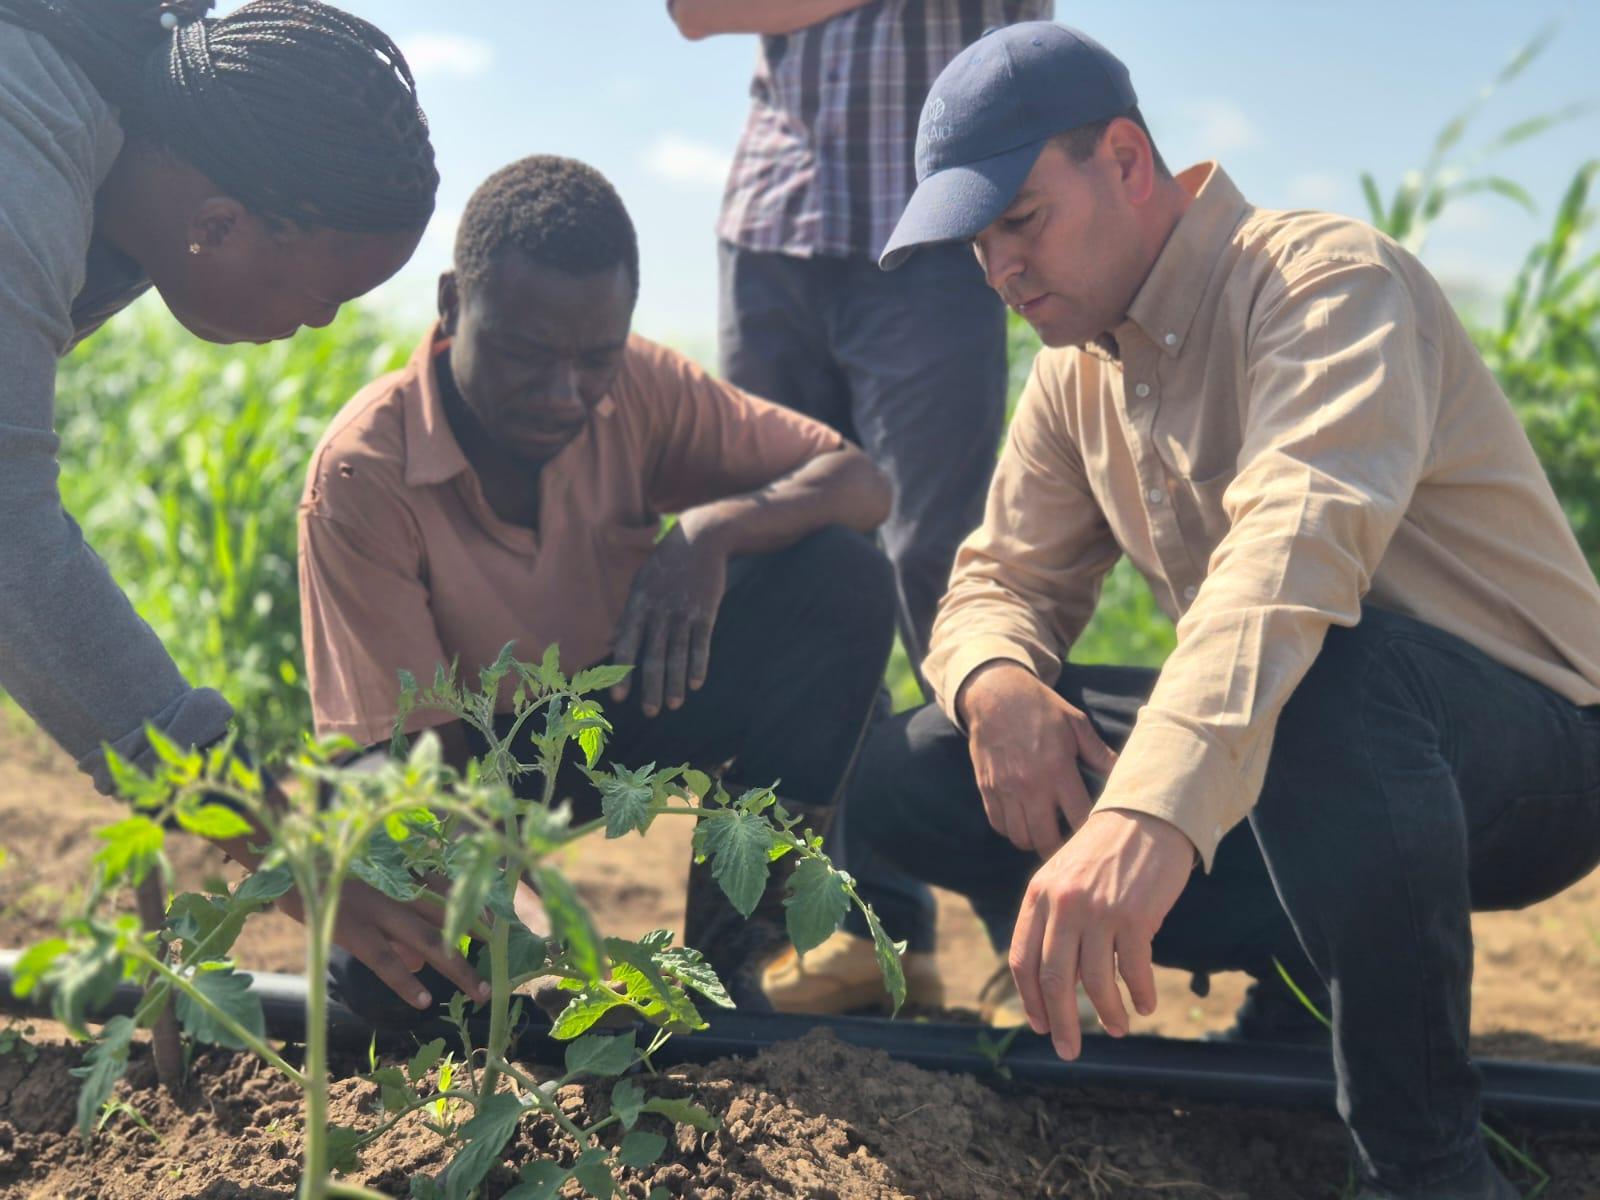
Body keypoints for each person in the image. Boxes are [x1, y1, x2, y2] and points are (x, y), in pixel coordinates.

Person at [849, 21, 1600, 1200]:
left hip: (1527, 757)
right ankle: (1299, 981)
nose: (999, 269)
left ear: (1126, 160)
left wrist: (1144, 811)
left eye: (1020, 219)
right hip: (1305, 760)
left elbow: (1290, 560)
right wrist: (998, 687)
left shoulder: (1323, 284)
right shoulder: (1071, 371)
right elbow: (1000, 578)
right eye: (977, 243)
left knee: (1323, 681)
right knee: (913, 765)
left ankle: (1426, 1164)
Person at [297, 155, 898, 1026]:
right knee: (407, 987)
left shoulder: (641, 386)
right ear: (452, 306)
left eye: (593, 361)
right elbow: (409, 772)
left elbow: (858, 484)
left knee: (840, 578)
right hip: (452, 764)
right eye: (525, 355)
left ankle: (738, 983)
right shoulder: (365, 473)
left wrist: (711, 530)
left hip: (608, 710)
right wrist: (537, 945)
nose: (563, 394)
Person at [0, 0, 492, 1017]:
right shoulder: (22, 150)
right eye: (319, 300)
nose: (315, 328)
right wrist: (286, 844)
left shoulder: (154, 97)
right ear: (217, 226)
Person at [668, 0, 1052, 1016]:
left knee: (945, 572)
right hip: (775, 219)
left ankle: (1043, 937)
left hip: (936, 225)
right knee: (785, 576)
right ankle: (869, 933)